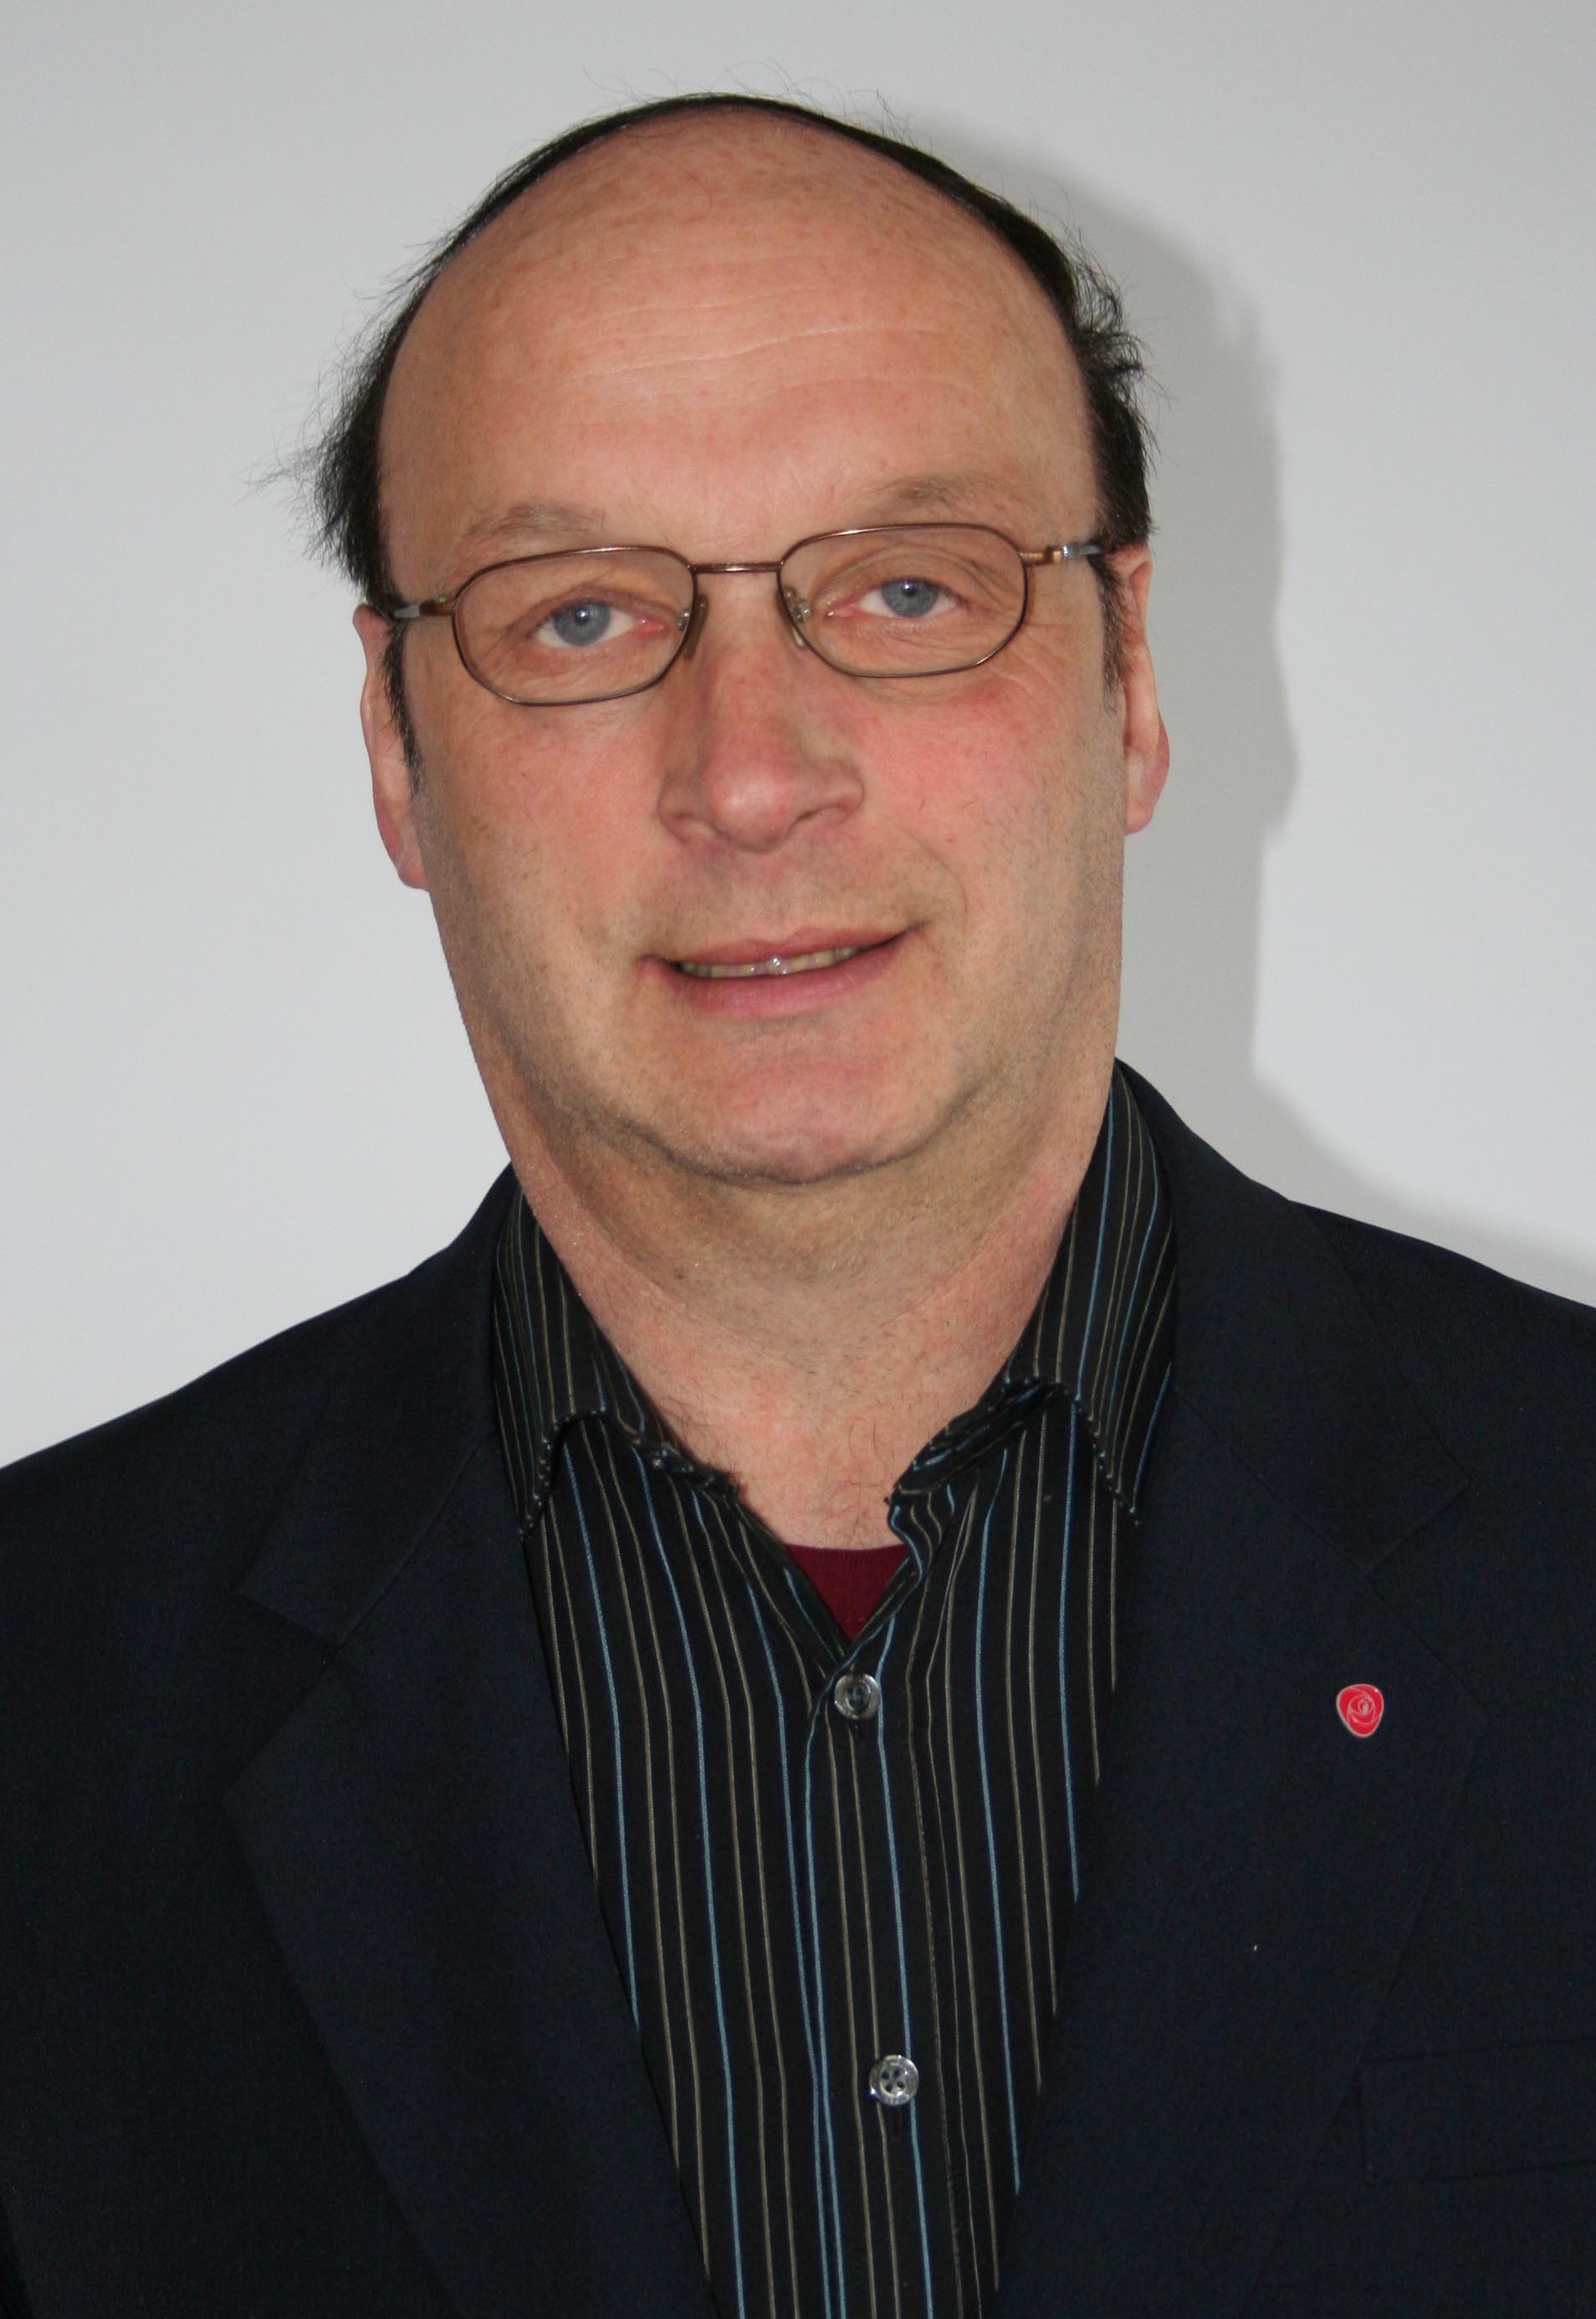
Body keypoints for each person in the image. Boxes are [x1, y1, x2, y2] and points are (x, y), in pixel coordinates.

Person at [1, 90, 1593, 2319]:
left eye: (909, 588)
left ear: (1130, 678)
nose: (749, 774)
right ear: (395, 750)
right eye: (578, 617)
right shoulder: (45, 1691)